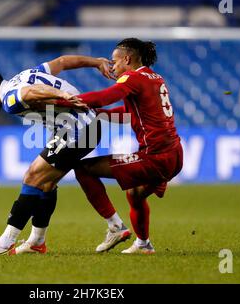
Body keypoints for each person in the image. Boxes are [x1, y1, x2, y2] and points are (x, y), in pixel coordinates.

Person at [0, 56, 131, 256]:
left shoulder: (10, 98)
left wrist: (61, 93)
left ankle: (4, 242)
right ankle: (37, 241)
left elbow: (30, 92)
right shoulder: (26, 74)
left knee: (32, 176)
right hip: (82, 125)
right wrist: (96, 61)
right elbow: (62, 62)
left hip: (78, 130)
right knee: (46, 183)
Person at [58, 38, 184, 254]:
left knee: (82, 168)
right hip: (174, 155)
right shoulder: (154, 78)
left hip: (155, 158)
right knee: (134, 195)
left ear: (127, 59)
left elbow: (104, 97)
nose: (113, 67)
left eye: (115, 62)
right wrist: (101, 115)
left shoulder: (132, 77)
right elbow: (130, 114)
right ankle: (143, 244)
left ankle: (115, 227)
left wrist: (64, 101)